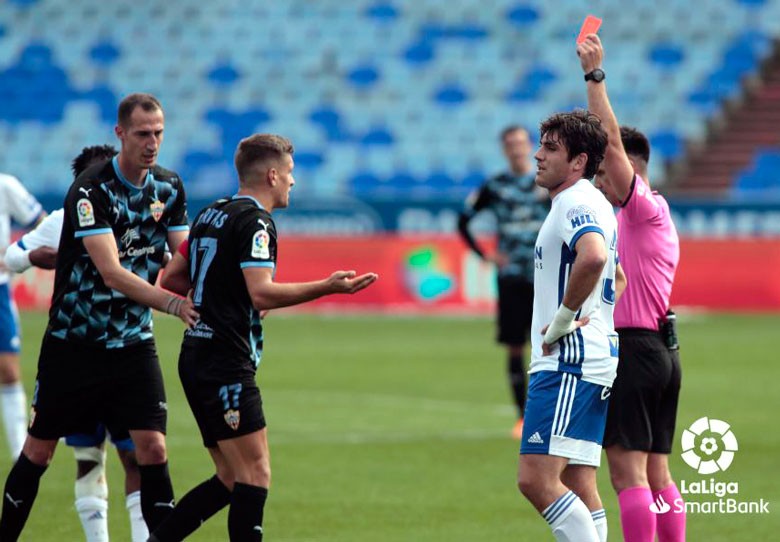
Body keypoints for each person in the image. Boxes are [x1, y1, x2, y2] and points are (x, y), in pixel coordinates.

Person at [148, 134, 378, 542]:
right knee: (255, 474)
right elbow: (261, 292)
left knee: (231, 477)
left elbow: (175, 278)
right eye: (289, 173)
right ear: (272, 174)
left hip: (196, 354)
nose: (292, 182)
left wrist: (224, 299)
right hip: (226, 360)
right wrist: (327, 286)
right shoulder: (256, 221)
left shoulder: (211, 213)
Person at [0, 92, 199, 541]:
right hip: (74, 345)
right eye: (143, 133)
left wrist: (228, 294)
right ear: (121, 133)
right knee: (39, 451)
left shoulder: (169, 188)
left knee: (152, 449)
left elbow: (182, 261)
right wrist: (172, 304)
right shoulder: (90, 190)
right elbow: (111, 273)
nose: (152, 143)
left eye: (159, 134)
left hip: (132, 345)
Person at [4, 145, 150, 542]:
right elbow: (13, 257)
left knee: (136, 455)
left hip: (127, 350)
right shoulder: (63, 218)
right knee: (85, 457)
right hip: (75, 351)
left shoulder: (138, 211)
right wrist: (43, 255)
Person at [579, 34, 684, 542]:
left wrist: (595, 77)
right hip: (663, 348)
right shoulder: (653, 216)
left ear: (630, 169)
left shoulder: (640, 207)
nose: (599, 182)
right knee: (659, 473)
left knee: (626, 475)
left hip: (637, 347)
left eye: (602, 172)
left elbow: (613, 146)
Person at [516, 109, 626, 542]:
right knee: (580, 484)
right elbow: (615, 275)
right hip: (593, 354)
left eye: (550, 148)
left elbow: (596, 257)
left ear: (578, 161)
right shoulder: (591, 200)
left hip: (569, 361)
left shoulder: (576, 201)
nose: (537, 156)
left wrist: (561, 321)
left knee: (536, 479)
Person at [458, 126, 550, 439]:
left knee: (552, 342)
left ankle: (551, 413)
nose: (517, 149)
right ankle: (522, 418)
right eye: (510, 144)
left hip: (545, 275)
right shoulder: (496, 186)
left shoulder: (546, 182)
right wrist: (486, 255)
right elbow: (463, 219)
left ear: (530, 146)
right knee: (515, 346)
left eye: (521, 143)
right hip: (511, 277)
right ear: (503, 148)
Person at [0, 172, 46, 459]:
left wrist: (14, 253)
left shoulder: (5, 186)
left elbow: (42, 222)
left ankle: (20, 453)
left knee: (8, 369)